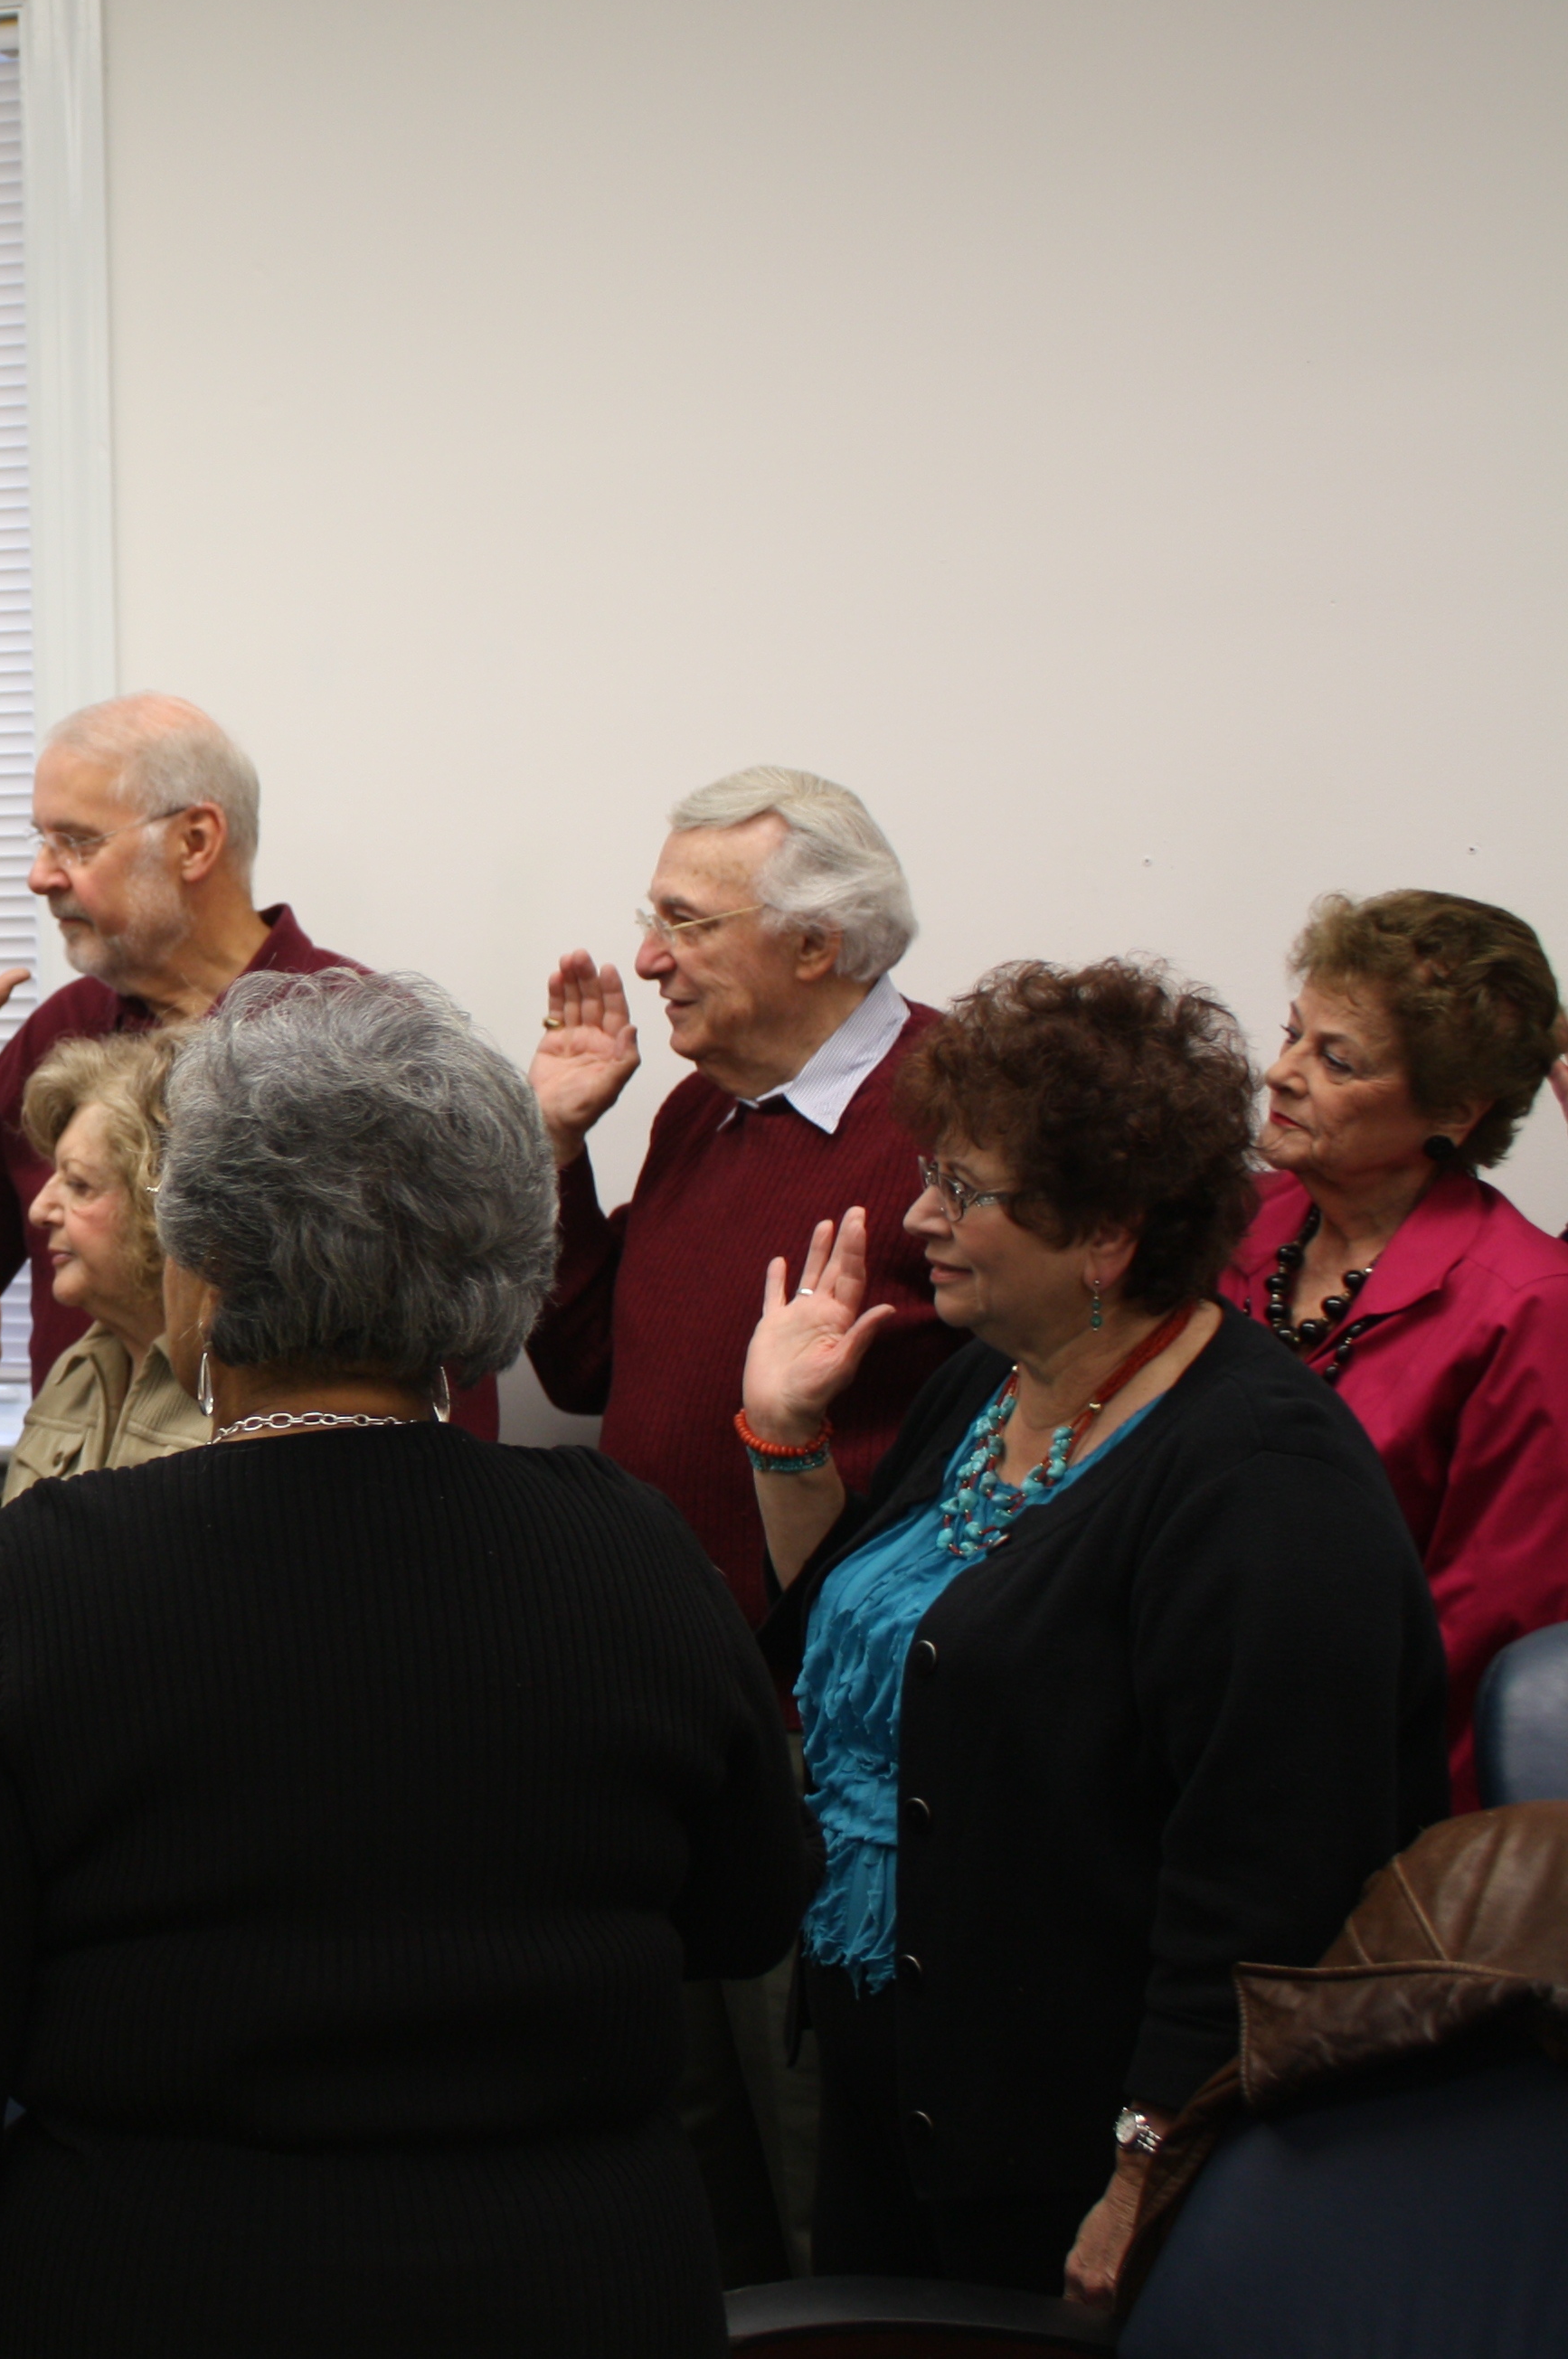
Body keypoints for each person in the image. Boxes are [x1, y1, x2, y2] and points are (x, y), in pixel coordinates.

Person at [0, 969, 809, 2359]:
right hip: (576, 2288)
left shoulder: (53, 1576)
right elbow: (744, 1916)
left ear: (211, 1268)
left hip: (161, 2288)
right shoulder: (630, 1551)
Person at [741, 958, 1445, 2302]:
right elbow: (856, 1624)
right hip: (913, 2093)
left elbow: (1264, 1895)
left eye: (967, 1191)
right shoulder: (986, 1383)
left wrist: (1146, 2173)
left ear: (1110, 1233)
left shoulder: (1263, 1484)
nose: (919, 1217)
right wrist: (784, 1436)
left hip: (1078, 2162)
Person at [524, 761, 961, 2280]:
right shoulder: (702, 1112)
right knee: (677, 2139)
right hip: (661, 1707)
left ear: (815, 946)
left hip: (829, 1737)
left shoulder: (950, 1117)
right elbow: (580, 1365)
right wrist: (561, 1145)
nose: (643, 959)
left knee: (813, 2158)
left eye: (682, 923)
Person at [0, 695, 517, 1422]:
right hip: (84, 1500)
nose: (40, 876)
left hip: (295, 1510)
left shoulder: (364, 1042)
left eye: (74, 842)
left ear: (196, 841)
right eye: (40, 841)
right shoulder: (62, 1034)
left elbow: (450, 1346)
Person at [1215, 891, 1568, 1804]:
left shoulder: (1522, 1306)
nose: (1279, 1074)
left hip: (1347, 1784)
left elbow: (1480, 1631)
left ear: (1451, 1108)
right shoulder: (1239, 1222)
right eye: (1292, 1034)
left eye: (1335, 1060)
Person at [0, 1030, 204, 1630]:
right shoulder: (78, 1372)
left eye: (78, 1185)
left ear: (167, 1209)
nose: (39, 1208)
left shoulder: (246, 1394)